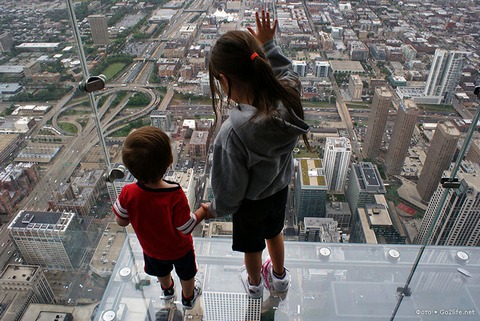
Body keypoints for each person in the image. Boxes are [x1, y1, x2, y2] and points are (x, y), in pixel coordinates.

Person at [206, 10, 311, 299]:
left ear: (224, 81)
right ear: (260, 63)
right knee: (275, 234)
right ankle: (279, 278)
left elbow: (230, 190)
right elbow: (287, 74)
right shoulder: (288, 99)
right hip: (278, 190)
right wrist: (269, 44)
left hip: (250, 204)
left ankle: (254, 285)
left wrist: (211, 208)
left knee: (252, 247)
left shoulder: (233, 132)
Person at [112, 126, 208, 309]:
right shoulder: (175, 194)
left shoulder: (128, 192)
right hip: (180, 249)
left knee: (161, 272)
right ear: (169, 161)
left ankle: (167, 289)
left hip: (152, 249)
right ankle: (188, 298)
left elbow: (121, 221)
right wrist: (203, 211)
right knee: (187, 274)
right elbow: (185, 227)